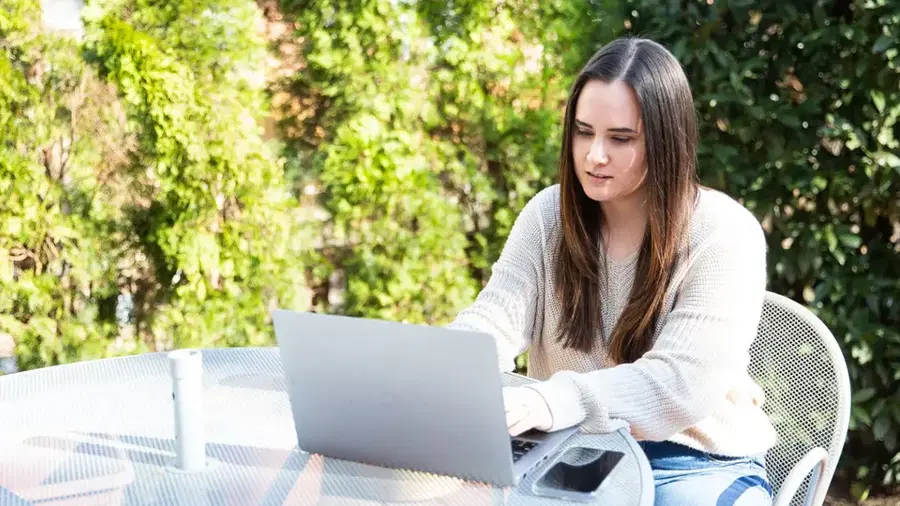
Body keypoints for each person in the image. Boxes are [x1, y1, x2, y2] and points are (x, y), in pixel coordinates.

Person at [447, 37, 778, 506]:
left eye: (620, 138)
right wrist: (439, 371)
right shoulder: (549, 216)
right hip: (572, 451)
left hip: (691, 465)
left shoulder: (723, 234)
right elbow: (493, 321)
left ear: (667, 140)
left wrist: (552, 400)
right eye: (583, 132)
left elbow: (679, 386)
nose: (593, 156)